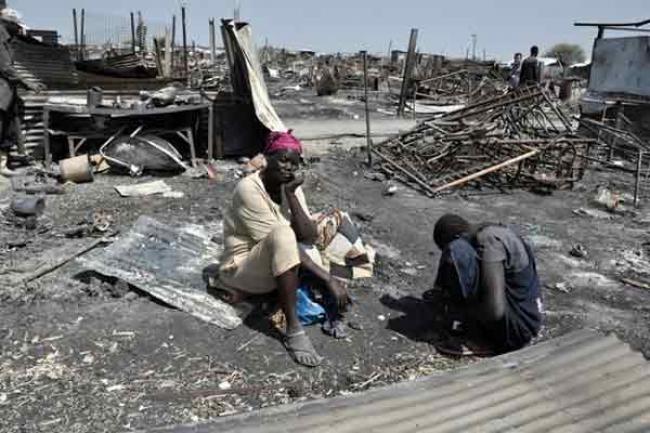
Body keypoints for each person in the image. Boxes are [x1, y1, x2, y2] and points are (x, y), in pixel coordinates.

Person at [215, 131, 352, 367]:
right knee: (284, 234)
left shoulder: (290, 185)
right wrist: (328, 278)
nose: (289, 167)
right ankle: (294, 330)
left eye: (294, 163)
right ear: (267, 158)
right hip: (243, 270)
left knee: (337, 218)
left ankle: (327, 289)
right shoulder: (248, 189)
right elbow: (284, 238)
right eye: (283, 159)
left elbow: (308, 234)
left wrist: (292, 195)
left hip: (274, 259)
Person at [431, 214, 543, 355]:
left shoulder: (489, 241)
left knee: (457, 251)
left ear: (457, 236)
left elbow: (495, 311)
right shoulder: (494, 230)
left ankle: (478, 339)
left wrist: (461, 314)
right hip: (528, 322)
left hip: (516, 331)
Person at [0, 9, 43, 177]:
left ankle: (2, 164)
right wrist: (28, 83)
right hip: (1, 91)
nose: (18, 30)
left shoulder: (8, 39)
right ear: (7, 23)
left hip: (7, 92)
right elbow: (5, 68)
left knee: (7, 130)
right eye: (16, 26)